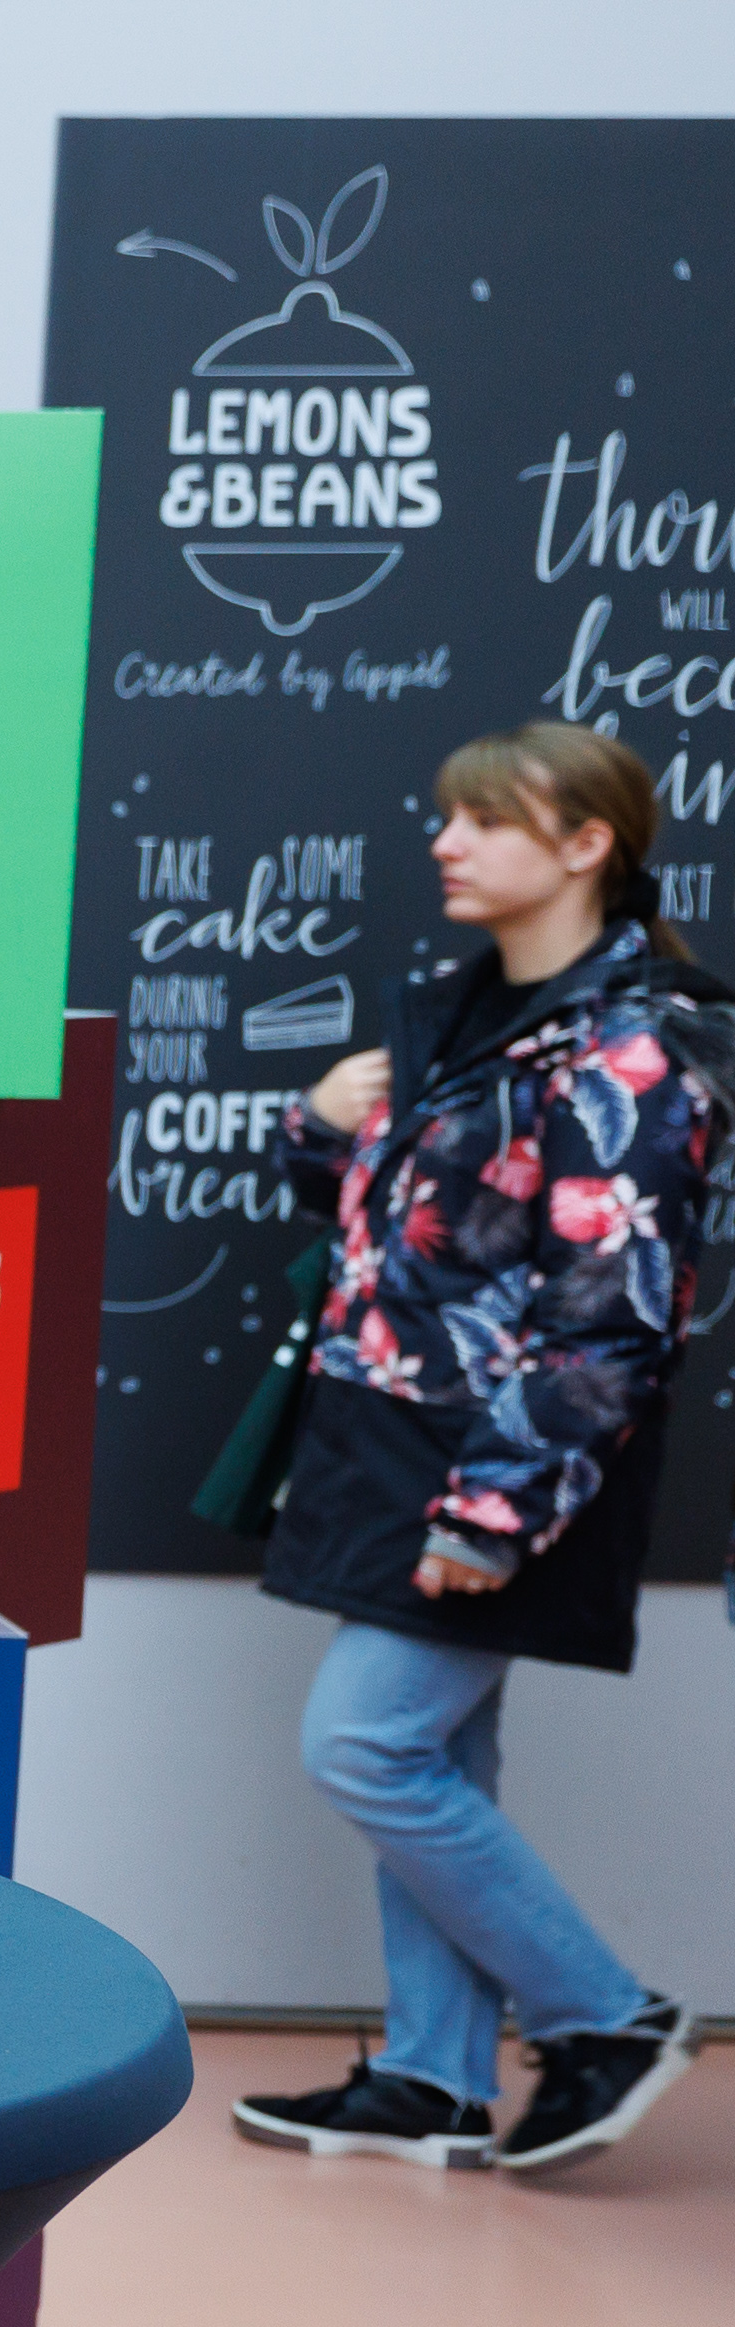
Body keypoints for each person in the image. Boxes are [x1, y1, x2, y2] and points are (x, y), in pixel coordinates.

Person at [231, 720, 735, 2177]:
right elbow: (422, 1228)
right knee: (439, 1746)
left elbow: (615, 1316)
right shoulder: (467, 1011)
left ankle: (604, 2017)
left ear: (588, 846)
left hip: (497, 1458)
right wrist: (316, 1128)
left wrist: (498, 1510)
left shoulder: (637, 1045)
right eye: (446, 820)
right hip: (387, 1436)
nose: (445, 843)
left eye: (486, 821)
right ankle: (433, 2078)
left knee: (368, 1744)